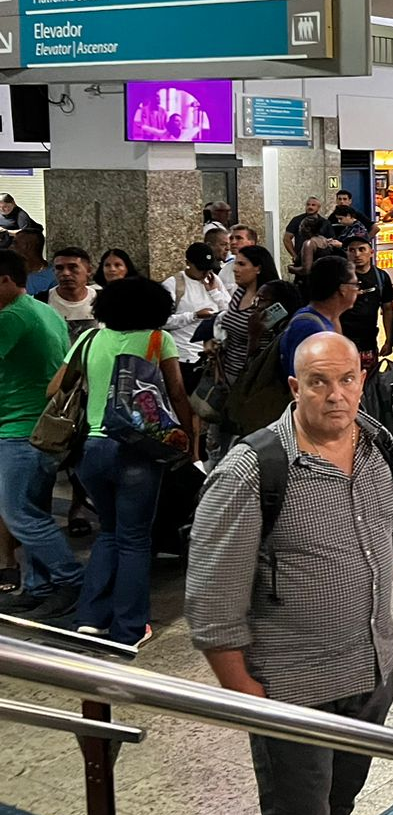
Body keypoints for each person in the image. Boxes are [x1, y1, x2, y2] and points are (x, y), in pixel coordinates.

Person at [187, 332, 393, 815]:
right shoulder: (252, 470)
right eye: (319, 382)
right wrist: (243, 693)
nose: (335, 395)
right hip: (294, 687)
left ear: (363, 379)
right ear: (294, 387)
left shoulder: (377, 446)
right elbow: (213, 600)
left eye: (347, 380)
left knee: (340, 804)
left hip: (371, 673)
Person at [49, 277, 194, 646]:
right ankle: (131, 627)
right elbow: (176, 393)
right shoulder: (158, 340)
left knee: (109, 532)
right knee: (134, 539)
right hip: (135, 450)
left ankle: (91, 618)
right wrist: (188, 442)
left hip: (89, 451)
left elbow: (54, 389)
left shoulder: (88, 339)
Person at [0, 249, 78, 622]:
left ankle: (70, 579)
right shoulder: (44, 310)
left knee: (18, 515)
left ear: (6, 280)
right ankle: (38, 587)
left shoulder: (12, 316)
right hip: (44, 429)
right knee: (35, 511)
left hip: (20, 429)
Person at [162, 241, 231, 385]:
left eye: (208, 268)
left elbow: (229, 310)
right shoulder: (174, 284)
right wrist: (194, 316)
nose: (205, 273)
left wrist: (214, 292)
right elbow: (163, 321)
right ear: (188, 263)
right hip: (184, 356)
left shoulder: (214, 280)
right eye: (200, 268)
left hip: (212, 355)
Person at [214, 246, 281, 388]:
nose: (235, 269)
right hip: (227, 375)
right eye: (236, 263)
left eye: (242, 264)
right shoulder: (239, 294)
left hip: (255, 380)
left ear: (258, 268)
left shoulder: (271, 302)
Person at [279, 256, 359, 374]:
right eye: (355, 284)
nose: (357, 289)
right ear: (343, 289)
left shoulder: (323, 318)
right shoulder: (312, 330)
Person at [343, 233, 393, 377]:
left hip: (369, 342)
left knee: (370, 382)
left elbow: (388, 309)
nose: (357, 254)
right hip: (343, 342)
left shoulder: (381, 277)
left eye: (362, 249)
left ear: (371, 253)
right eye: (352, 250)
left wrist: (389, 340)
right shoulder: (341, 277)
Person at [42, 246, 99, 340]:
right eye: (59, 268)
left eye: (73, 267)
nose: (65, 273)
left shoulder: (103, 300)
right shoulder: (41, 301)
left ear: (89, 270)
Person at [281, 196, 322, 263]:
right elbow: (286, 239)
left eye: (313, 205)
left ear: (318, 207)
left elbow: (330, 240)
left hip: (319, 260)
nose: (310, 207)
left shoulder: (325, 222)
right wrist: (294, 255)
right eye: (308, 204)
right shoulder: (296, 220)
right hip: (301, 258)